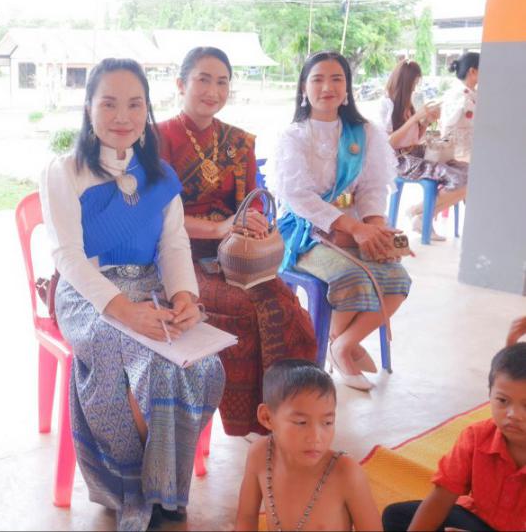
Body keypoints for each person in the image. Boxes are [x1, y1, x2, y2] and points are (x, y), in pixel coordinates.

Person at [39, 58, 226, 531]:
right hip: (89, 295)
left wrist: (184, 297)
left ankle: (164, 486)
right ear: (88, 107)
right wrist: (123, 311)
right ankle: (133, 489)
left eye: (134, 104)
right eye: (108, 104)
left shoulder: (159, 174)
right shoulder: (65, 171)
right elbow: (68, 256)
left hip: (148, 285)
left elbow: (173, 244)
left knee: (201, 365)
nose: (122, 116)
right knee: (143, 360)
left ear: (147, 110)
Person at [157, 47, 317, 437]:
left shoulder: (238, 142)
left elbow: (250, 202)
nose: (213, 91)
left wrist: (253, 221)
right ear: (180, 84)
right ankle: (250, 421)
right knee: (246, 309)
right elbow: (157, 217)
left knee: (286, 306)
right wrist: (218, 229)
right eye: (203, 79)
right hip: (176, 256)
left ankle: (288, 412)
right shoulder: (159, 138)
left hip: (235, 256)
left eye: (222, 82)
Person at [271, 51, 411, 392]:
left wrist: (377, 228)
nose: (327, 87)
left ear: (347, 88)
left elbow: (372, 188)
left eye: (336, 79)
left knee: (397, 276)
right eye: (317, 79)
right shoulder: (293, 136)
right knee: (350, 276)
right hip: (305, 230)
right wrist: (356, 229)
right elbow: (299, 197)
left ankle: (343, 344)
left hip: (354, 227)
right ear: (303, 88)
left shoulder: (365, 133)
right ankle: (341, 343)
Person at [381, 343, 526, 531]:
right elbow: (441, 499)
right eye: (503, 401)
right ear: (489, 394)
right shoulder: (477, 437)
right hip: (478, 520)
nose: (513, 414)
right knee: (396, 516)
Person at [234, 359, 381, 531]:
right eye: (301, 422)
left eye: (327, 422)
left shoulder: (346, 473)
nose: (316, 437)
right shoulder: (259, 454)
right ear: (267, 417)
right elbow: (246, 518)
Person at [379, 59, 468, 241]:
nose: (415, 87)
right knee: (457, 178)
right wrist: (415, 118)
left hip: (416, 152)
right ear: (405, 82)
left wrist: (426, 121)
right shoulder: (387, 104)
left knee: (471, 174)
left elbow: (416, 137)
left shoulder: (408, 104)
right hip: (400, 160)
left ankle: (419, 214)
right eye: (414, 83)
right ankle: (420, 215)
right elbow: (388, 142)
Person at [440, 52, 480, 163]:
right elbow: (447, 128)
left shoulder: (470, 93)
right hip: (460, 157)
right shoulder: (459, 96)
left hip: (469, 153)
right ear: (472, 71)